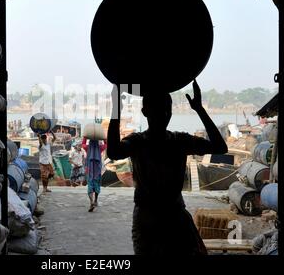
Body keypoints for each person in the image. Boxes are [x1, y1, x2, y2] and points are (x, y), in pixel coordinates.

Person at [107, 80, 228, 255]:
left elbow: (220, 148)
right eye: (158, 110)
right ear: (145, 112)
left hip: (163, 217)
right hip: (162, 218)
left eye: (167, 110)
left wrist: (116, 109)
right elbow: (113, 152)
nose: (163, 114)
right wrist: (199, 109)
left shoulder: (141, 142)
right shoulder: (177, 141)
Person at [82, 137, 107, 212]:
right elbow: (106, 144)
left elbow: (83, 143)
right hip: (97, 170)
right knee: (96, 184)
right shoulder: (100, 148)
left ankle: (91, 202)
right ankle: (95, 200)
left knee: (90, 184)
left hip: (90, 169)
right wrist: (103, 138)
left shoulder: (87, 147)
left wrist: (85, 137)